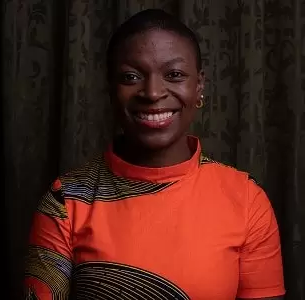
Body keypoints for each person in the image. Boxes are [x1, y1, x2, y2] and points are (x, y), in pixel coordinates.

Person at [24, 9, 285, 300]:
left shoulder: (246, 199)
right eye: (131, 76)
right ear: (111, 89)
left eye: (174, 74)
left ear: (199, 86)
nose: (152, 92)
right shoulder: (66, 201)